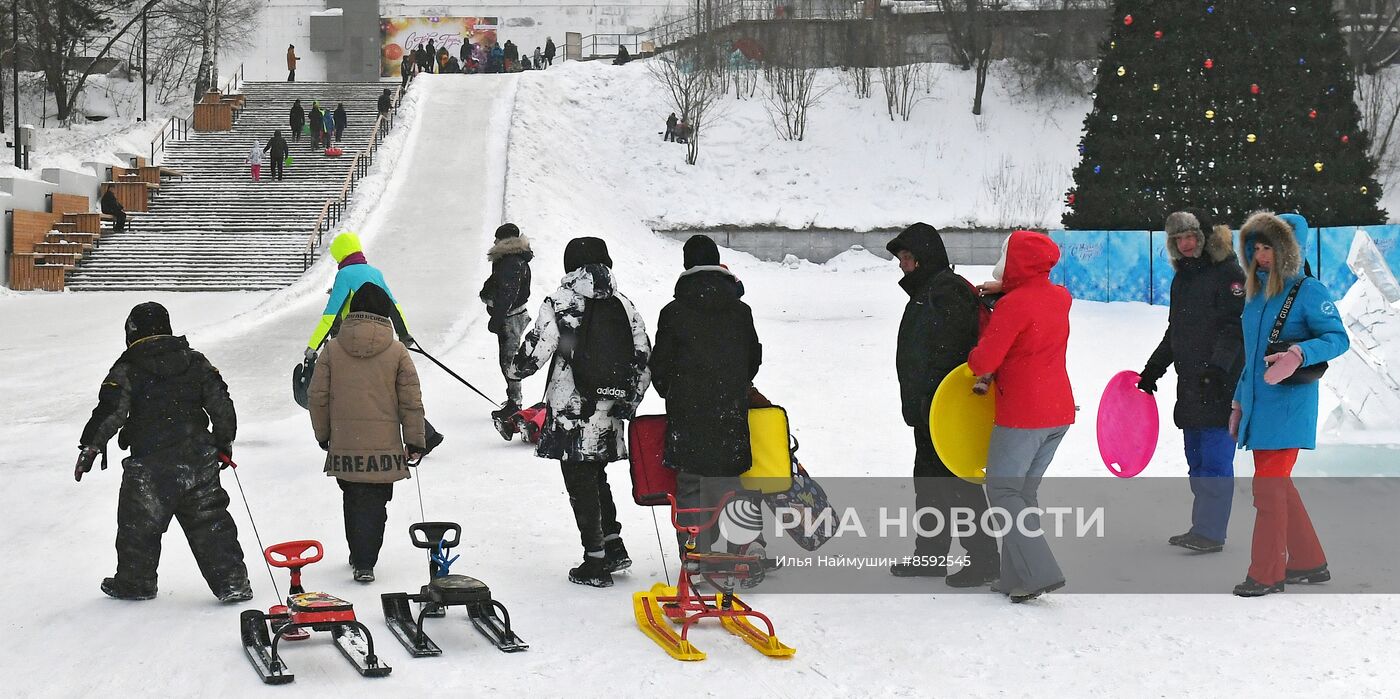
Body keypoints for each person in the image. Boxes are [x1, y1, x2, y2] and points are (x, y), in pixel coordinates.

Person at [75, 302, 251, 603]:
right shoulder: (195, 362)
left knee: (138, 526)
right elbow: (221, 403)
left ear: (132, 332)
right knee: (211, 523)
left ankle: (136, 582)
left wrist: (91, 446)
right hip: (197, 459)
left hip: (150, 464)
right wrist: (223, 441)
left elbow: (111, 411)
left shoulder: (127, 368)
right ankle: (232, 582)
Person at [508, 237, 651, 588]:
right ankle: (612, 545)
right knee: (595, 475)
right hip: (608, 409)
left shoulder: (560, 303)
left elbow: (533, 355)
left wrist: (515, 370)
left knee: (579, 481)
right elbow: (644, 358)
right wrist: (627, 401)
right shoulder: (625, 304)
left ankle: (595, 561)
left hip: (572, 410)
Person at [1230, 212, 1349, 597]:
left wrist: (1299, 353)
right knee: (1277, 486)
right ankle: (1307, 561)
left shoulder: (1308, 289)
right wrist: (1237, 401)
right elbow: (1251, 356)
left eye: (1270, 248)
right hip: (1258, 403)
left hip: (1290, 404)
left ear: (1289, 251)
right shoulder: (1256, 293)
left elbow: (1337, 337)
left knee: (1267, 487)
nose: (1262, 256)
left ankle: (1266, 573)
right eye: (1257, 248)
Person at [885, 223, 1000, 585]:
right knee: (931, 483)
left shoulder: (946, 293)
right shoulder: (929, 291)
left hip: (946, 411)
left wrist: (935, 402)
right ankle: (930, 556)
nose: (902, 265)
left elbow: (950, 356)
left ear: (922, 259)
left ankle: (983, 560)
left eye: (906, 258)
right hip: (929, 409)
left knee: (958, 485)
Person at [967, 230, 1075, 603]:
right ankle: (1016, 578)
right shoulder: (1061, 297)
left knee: (1003, 490)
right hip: (1058, 410)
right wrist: (1005, 290)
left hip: (1023, 413)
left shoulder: (1014, 305)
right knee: (1023, 494)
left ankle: (1040, 572)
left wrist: (1001, 303)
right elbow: (1035, 306)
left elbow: (984, 361)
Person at [1137, 209, 1245, 554]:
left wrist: (1218, 368)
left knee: (1214, 460)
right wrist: (1154, 368)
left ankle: (1211, 533)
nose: (1185, 244)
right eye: (1178, 239)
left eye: (1190, 237)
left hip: (1220, 384)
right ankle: (1203, 527)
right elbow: (1176, 330)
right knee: (1195, 459)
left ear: (1205, 237)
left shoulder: (1228, 273)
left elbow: (1235, 326)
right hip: (1191, 383)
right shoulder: (1182, 277)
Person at [649, 235, 763, 556]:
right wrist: (732, 386)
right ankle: (740, 555)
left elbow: (660, 364)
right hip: (730, 410)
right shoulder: (740, 311)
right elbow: (752, 358)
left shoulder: (673, 312)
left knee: (691, 486)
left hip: (688, 413)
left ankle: (696, 556)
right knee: (730, 484)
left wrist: (672, 391)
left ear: (687, 265)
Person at [309, 284, 426, 583]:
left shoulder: (332, 349)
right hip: (384, 448)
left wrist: (323, 435)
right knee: (376, 501)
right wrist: (414, 440)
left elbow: (317, 396)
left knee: (352, 497)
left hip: (346, 444)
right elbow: (410, 400)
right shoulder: (398, 351)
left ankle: (359, 556)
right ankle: (367, 558)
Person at [306, 232, 445, 455]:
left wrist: (312, 346)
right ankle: (426, 434)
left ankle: (345, 440)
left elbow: (330, 315)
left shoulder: (345, 275)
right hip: (381, 338)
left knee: (350, 393)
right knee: (386, 392)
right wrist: (405, 335)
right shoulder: (374, 273)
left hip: (353, 343)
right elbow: (394, 306)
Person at [479, 223, 533, 425]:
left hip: (511, 317)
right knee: (508, 360)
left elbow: (508, 294)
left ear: (504, 241)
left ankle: (514, 404)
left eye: (497, 239)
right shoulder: (512, 260)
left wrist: (497, 317)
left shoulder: (511, 262)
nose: (494, 242)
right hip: (512, 315)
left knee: (509, 361)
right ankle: (513, 400)